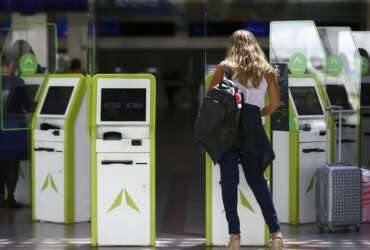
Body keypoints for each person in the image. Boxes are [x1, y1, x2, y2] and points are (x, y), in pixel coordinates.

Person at [208, 30, 283, 250]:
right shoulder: (267, 71)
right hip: (252, 127)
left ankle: (234, 237)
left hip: (229, 128)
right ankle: (276, 234)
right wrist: (258, 113)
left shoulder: (225, 68)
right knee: (258, 181)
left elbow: (209, 97)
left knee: (229, 182)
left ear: (232, 45)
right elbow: (276, 103)